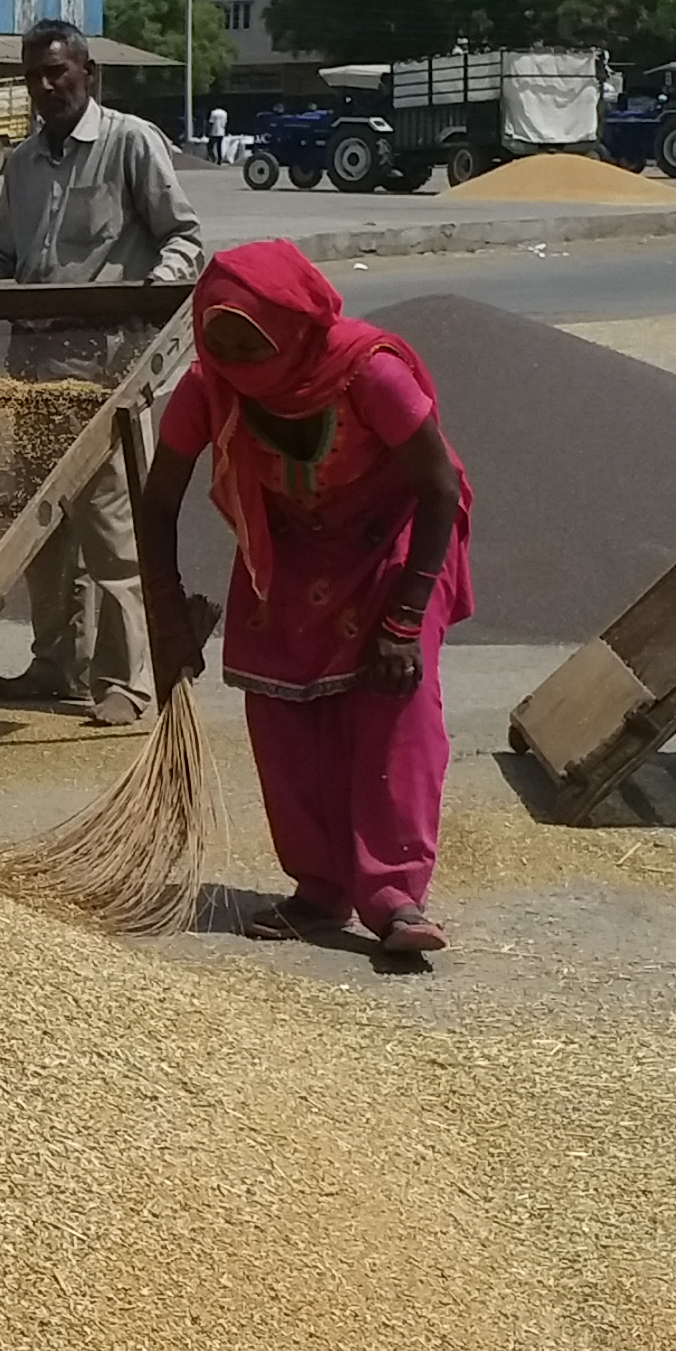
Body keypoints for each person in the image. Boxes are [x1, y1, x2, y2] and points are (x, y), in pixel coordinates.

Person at [139, 240, 470, 956]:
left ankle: (393, 896)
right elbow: (157, 500)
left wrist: (406, 617)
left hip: (399, 541)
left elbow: (438, 487)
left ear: (291, 325)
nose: (231, 355)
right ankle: (320, 888)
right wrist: (166, 612)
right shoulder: (209, 388)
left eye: (248, 339)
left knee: (393, 706)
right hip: (290, 547)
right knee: (282, 711)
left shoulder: (368, 373)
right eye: (216, 336)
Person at [0, 17, 208, 722]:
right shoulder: (21, 164)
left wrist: (146, 298)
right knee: (43, 530)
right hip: (34, 368)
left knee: (109, 528)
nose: (45, 87)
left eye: (58, 73)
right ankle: (56, 666)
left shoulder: (129, 144)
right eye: (34, 76)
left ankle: (126, 682)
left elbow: (184, 239)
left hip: (104, 369)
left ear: (88, 74)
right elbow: (9, 264)